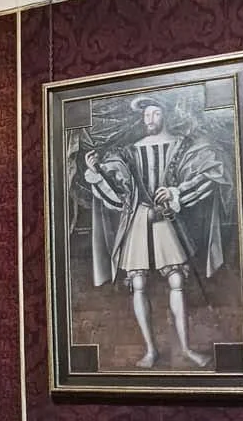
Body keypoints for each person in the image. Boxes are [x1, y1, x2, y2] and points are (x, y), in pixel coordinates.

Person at [82, 95, 226, 369]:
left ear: (165, 115)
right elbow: (120, 197)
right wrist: (95, 173)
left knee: (176, 280)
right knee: (138, 284)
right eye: (145, 115)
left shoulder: (184, 147)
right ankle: (150, 351)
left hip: (167, 220)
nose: (149, 119)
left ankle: (185, 348)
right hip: (137, 220)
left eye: (155, 114)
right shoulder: (129, 151)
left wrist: (176, 191)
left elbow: (208, 175)